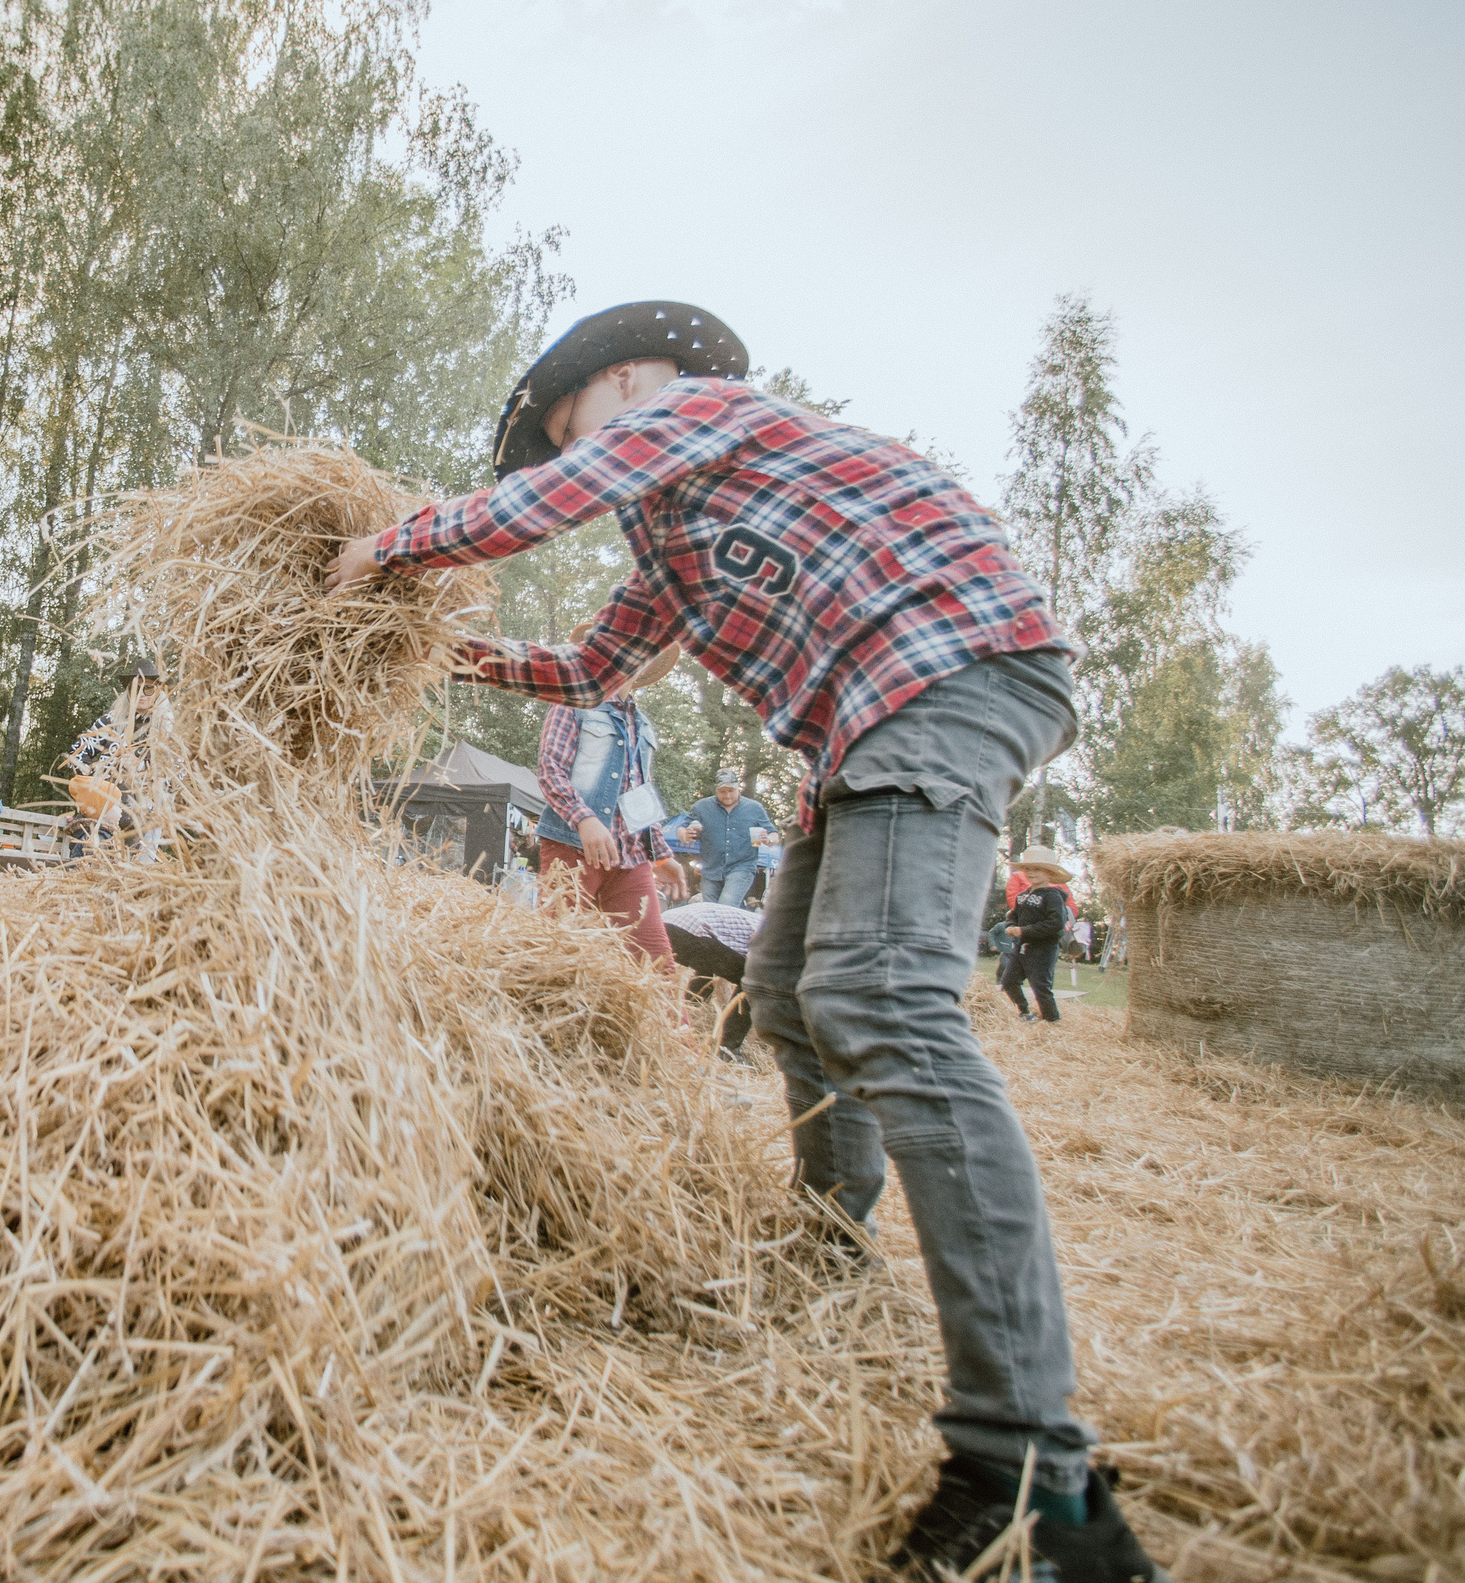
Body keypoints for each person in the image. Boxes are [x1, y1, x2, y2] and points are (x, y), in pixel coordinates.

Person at [323, 300, 1161, 1581]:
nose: (576, 457)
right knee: (789, 987)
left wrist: (383, 551)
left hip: (944, 671)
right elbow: (594, 666)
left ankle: (1034, 1479)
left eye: (573, 426)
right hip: (862, 730)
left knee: (883, 1000)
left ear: (632, 377)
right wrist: (441, 648)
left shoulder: (705, 412)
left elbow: (549, 500)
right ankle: (829, 1244)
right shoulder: (674, 542)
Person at [533, 641, 679, 968]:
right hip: (572, 849)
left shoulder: (642, 724)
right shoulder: (573, 701)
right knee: (555, 953)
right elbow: (550, 769)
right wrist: (585, 820)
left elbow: (640, 793)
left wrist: (661, 854)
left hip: (630, 857)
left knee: (657, 965)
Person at [65, 657, 165, 848]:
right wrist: (97, 777)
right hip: (104, 815)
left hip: (143, 819)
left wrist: (140, 767)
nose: (141, 694)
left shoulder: (164, 730)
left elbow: (175, 776)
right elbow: (76, 753)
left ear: (158, 691)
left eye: (148, 689)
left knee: (136, 863)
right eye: (135, 688)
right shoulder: (110, 722)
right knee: (88, 853)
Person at [662, 899, 762, 1058]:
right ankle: (727, 1049)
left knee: (710, 965)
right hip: (692, 929)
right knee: (755, 984)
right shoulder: (780, 936)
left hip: (670, 923)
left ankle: (691, 1009)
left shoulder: (767, 924)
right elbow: (758, 975)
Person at [1000, 846, 1076, 1023]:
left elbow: (1055, 924)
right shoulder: (1022, 896)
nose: (1031, 872)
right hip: (1021, 947)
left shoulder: (1053, 896)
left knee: (1040, 986)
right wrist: (1011, 926)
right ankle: (1025, 1012)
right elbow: (1013, 916)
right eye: (1027, 869)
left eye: (1037, 869)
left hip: (1043, 949)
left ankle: (1052, 1020)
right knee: (1009, 981)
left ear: (1049, 873)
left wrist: (1024, 931)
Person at [680, 770, 776, 906]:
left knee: (726, 906)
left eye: (731, 790)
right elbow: (682, 829)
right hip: (710, 870)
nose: (727, 795)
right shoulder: (701, 806)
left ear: (738, 787)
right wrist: (685, 835)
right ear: (716, 789)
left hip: (742, 867)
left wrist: (769, 840)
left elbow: (774, 834)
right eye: (722, 791)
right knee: (711, 910)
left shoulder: (754, 808)